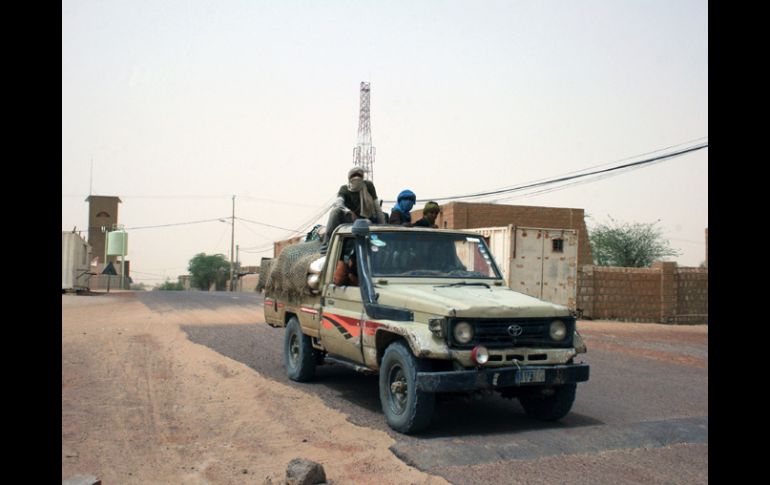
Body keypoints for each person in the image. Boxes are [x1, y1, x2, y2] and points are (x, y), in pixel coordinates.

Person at [322, 166, 386, 250]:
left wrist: (383, 228)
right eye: (354, 176)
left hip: (366, 220)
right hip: (350, 220)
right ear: (349, 178)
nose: (356, 178)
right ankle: (328, 244)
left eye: (359, 176)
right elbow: (339, 203)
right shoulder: (344, 189)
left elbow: (377, 207)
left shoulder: (368, 186)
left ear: (362, 178)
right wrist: (349, 212)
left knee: (377, 219)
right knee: (335, 211)